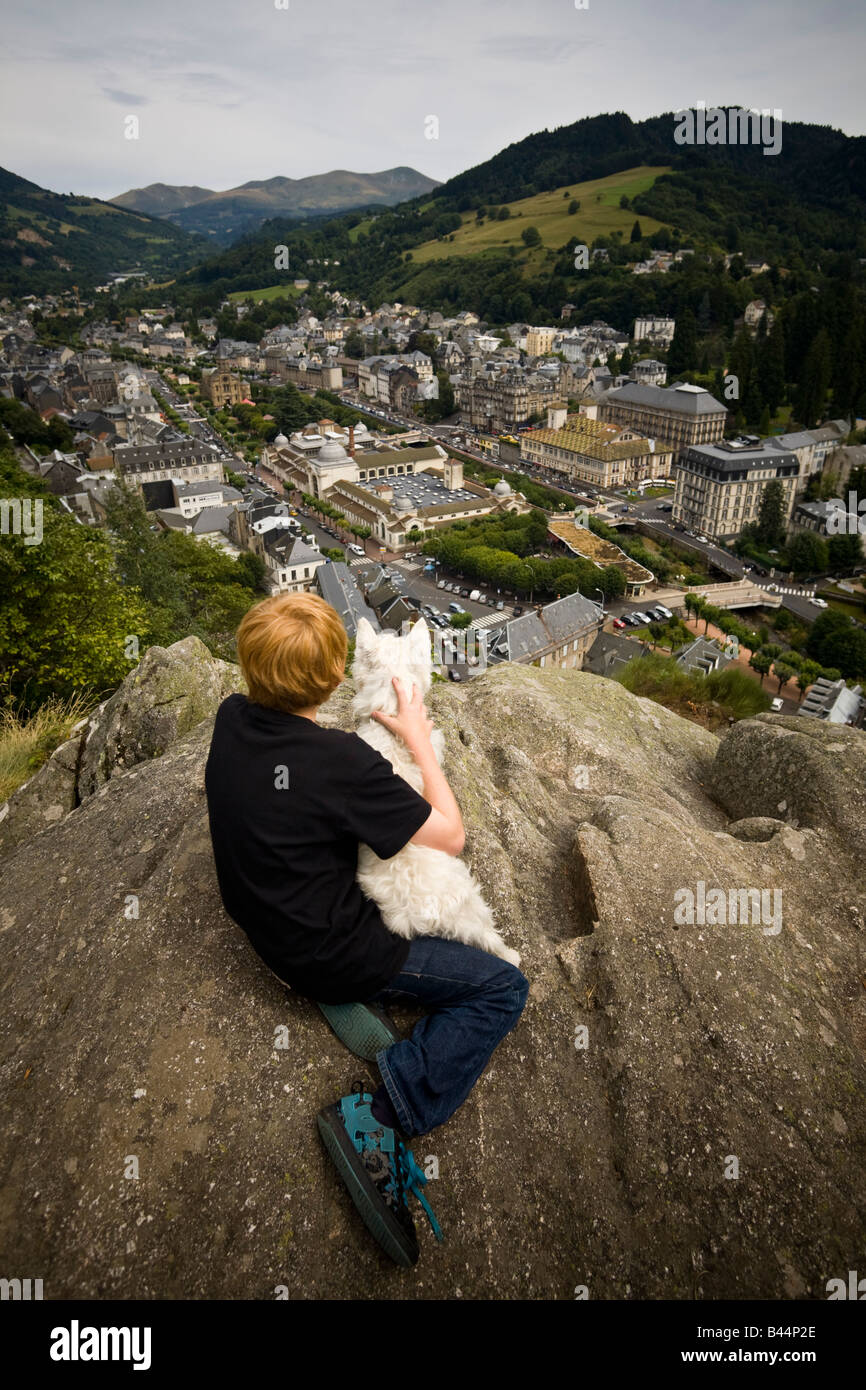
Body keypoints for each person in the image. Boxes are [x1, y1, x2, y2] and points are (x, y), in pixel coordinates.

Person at [205, 592, 528, 1266]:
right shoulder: (341, 763)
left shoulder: (231, 718)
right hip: (330, 951)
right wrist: (417, 739)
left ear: (248, 667)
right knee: (501, 990)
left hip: (263, 928)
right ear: (332, 678)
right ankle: (380, 1117)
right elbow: (452, 835)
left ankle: (339, 991)